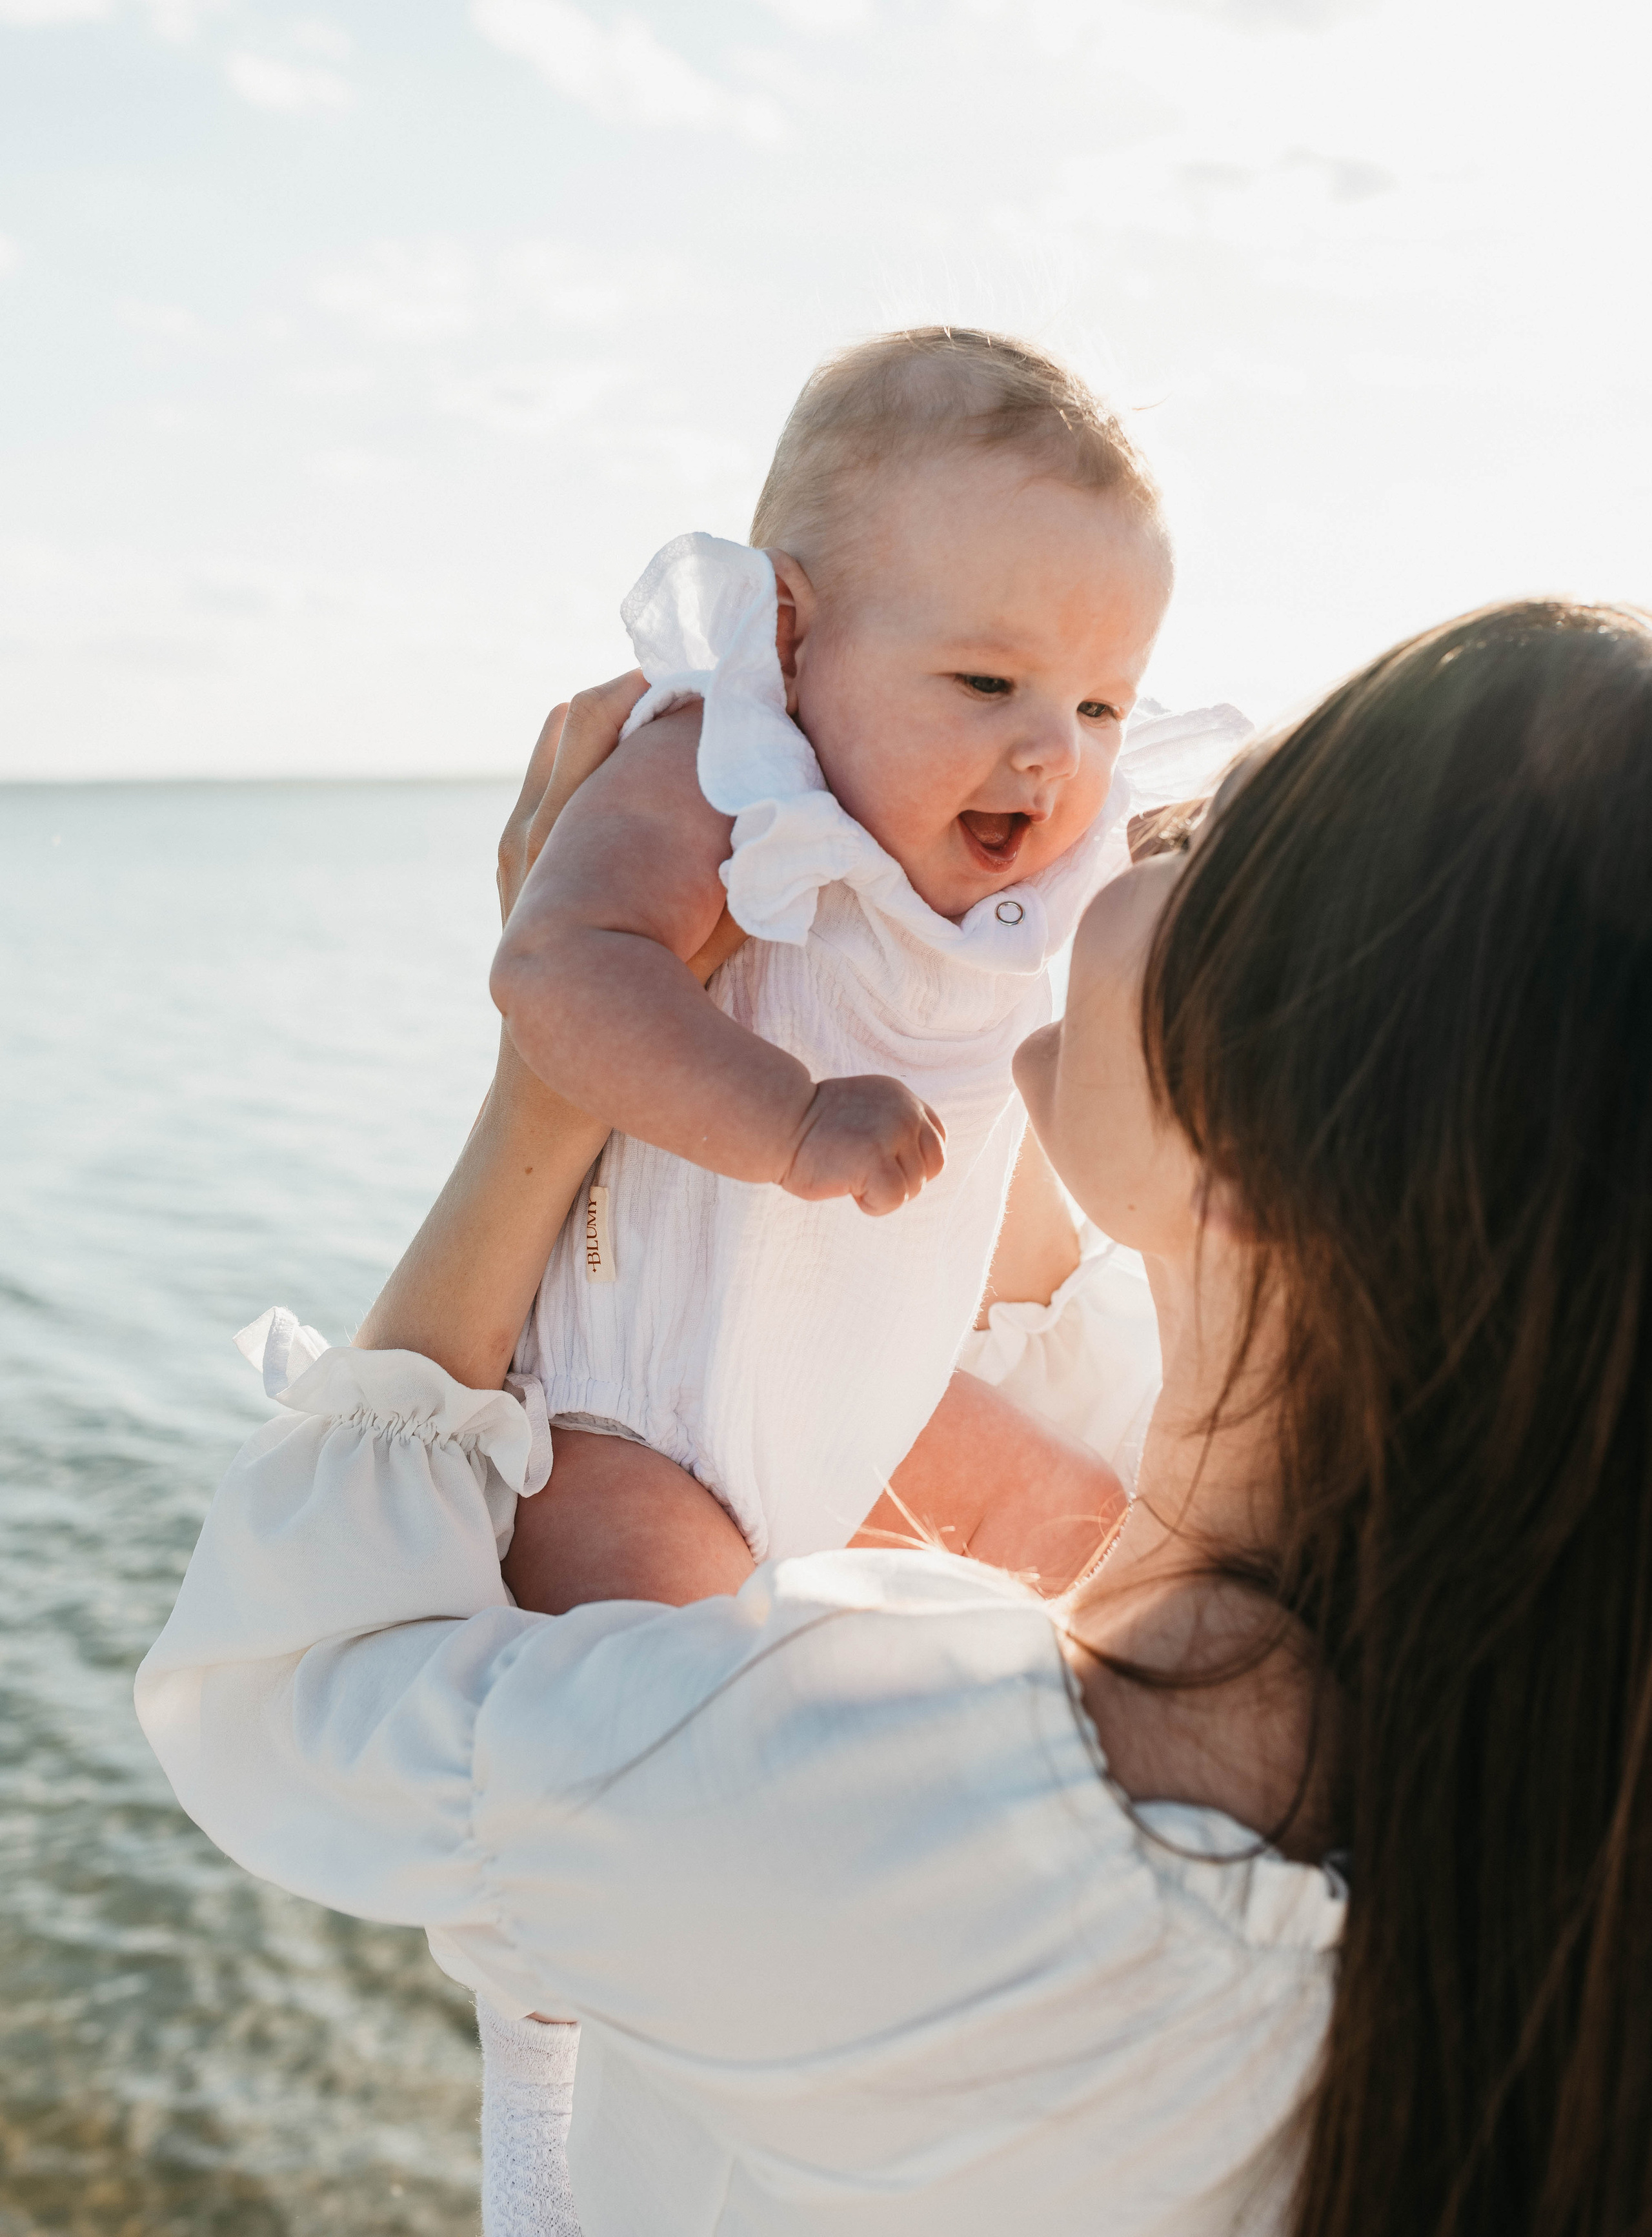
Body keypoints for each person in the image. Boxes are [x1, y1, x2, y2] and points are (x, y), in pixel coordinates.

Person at [137, 597, 1652, 2237]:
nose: (1107, 825)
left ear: (1274, 1149)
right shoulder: (1549, 1843)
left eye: (1196, 831)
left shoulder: (887, 1800)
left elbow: (288, 1692)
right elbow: (1044, 1378)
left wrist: (555, 1078)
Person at [487, 326, 1242, 1584]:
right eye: (986, 679)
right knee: (672, 1674)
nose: (1054, 750)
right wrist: (784, 1119)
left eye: (1099, 702)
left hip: (867, 1398)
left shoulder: (1045, 821)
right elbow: (556, 963)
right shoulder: (720, 774)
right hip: (637, 1415)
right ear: (789, 639)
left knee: (1088, 1529)